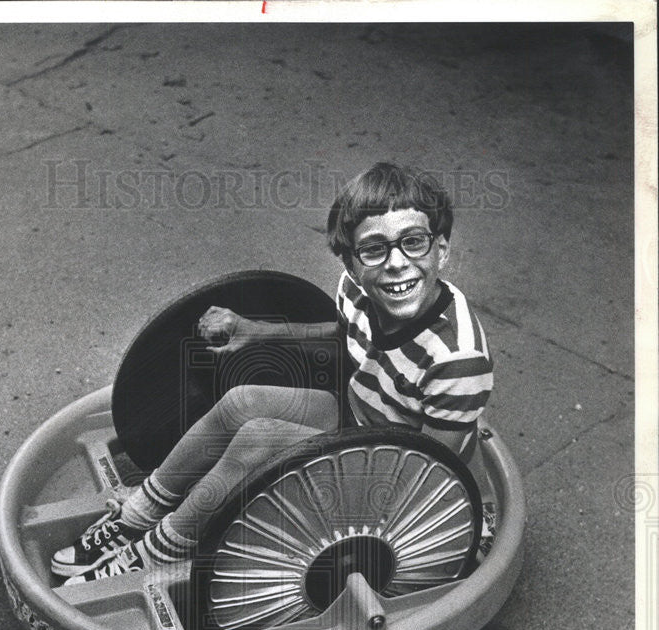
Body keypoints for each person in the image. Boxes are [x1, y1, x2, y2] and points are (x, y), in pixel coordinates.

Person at [51, 161, 494, 584]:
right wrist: (257, 331)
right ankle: (140, 513)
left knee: (257, 437)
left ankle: (164, 547)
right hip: (359, 423)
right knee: (242, 401)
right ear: (352, 265)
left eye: (413, 242)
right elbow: (344, 333)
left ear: (442, 249)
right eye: (374, 250)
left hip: (393, 475)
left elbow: (432, 475)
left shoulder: (457, 361)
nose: (396, 263)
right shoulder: (359, 293)